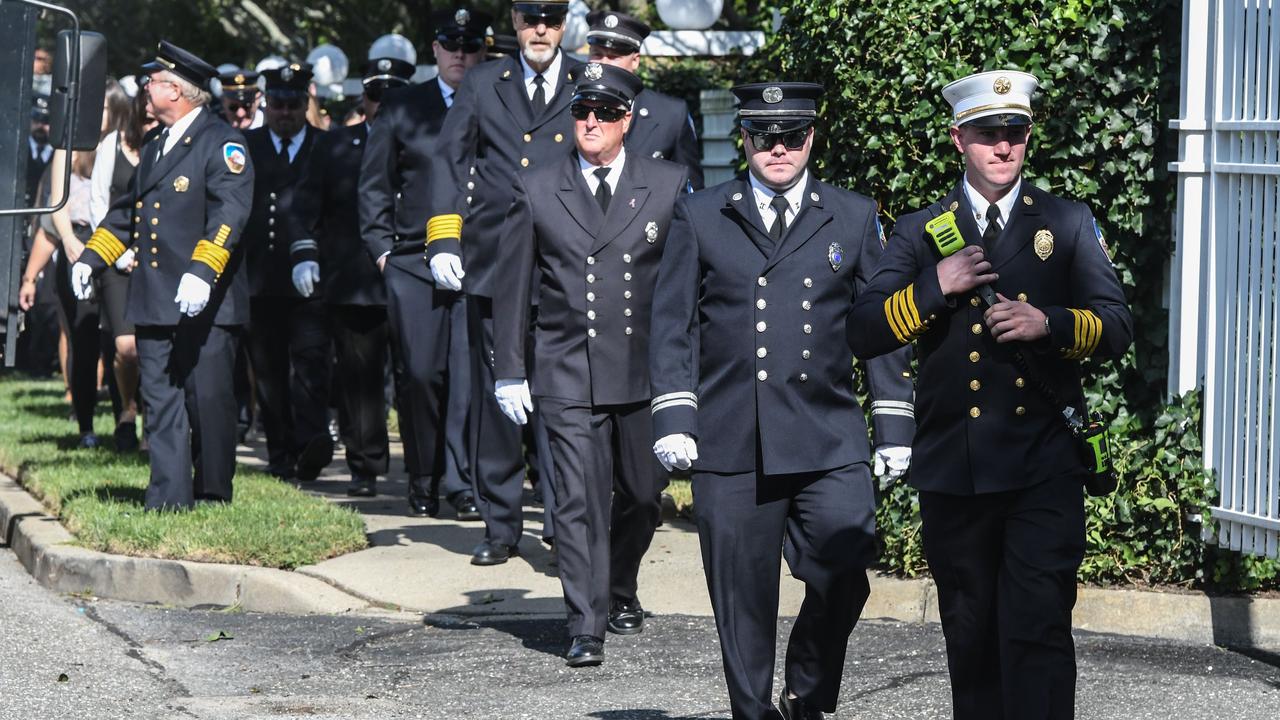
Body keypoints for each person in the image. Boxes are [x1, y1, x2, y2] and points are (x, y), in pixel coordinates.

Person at [847, 70, 1133, 720]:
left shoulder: (1064, 221)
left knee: (1038, 637)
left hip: (1044, 470)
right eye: (987, 134)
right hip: (957, 475)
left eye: (1016, 132)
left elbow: (1115, 326)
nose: (1003, 147)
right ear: (958, 139)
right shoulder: (922, 231)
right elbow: (862, 330)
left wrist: (1049, 324)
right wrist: (933, 287)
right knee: (972, 647)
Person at [648, 82, 915, 720]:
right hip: (732, 434)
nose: (777, 148)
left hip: (826, 435)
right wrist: (676, 415)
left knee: (845, 566)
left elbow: (877, 327)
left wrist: (895, 423)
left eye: (791, 135)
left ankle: (808, 687)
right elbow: (673, 323)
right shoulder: (703, 213)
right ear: (743, 139)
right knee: (741, 599)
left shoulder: (850, 215)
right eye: (763, 135)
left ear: (811, 138)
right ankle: (752, 712)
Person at [492, 62, 687, 667]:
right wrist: (509, 367)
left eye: (605, 113)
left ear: (628, 120)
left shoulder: (668, 183)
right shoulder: (538, 185)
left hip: (642, 371)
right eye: (582, 112)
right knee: (576, 498)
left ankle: (620, 585)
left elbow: (683, 290)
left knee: (641, 495)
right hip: (566, 367)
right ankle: (586, 620)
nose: (592, 122)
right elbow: (512, 285)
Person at [425, 0, 584, 565]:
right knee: (498, 402)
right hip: (495, 260)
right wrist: (444, 236)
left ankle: (567, 524)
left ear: (564, 24)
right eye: (530, 18)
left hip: (566, 261)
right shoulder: (485, 81)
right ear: (514, 22)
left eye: (551, 18)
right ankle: (499, 523)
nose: (540, 29)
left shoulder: (587, 79)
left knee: (565, 401)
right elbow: (450, 156)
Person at [70, 40, 254, 510]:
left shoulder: (222, 142)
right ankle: (168, 497)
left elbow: (229, 214)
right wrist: (91, 259)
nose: (146, 87)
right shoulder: (154, 146)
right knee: (162, 400)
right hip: (154, 297)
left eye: (153, 80)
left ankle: (212, 493)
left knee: (208, 401)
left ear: (177, 90)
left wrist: (202, 269)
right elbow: (125, 215)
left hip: (205, 299)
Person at [359, 8, 490, 517]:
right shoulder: (402, 106)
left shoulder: (495, 102)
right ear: (433, 49)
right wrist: (383, 252)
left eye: (471, 45)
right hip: (413, 258)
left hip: (476, 256)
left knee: (464, 374)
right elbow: (374, 184)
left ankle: (459, 483)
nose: (461, 54)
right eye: (451, 44)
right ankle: (422, 472)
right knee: (417, 372)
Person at [290, 55, 415, 497]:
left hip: (417, 275)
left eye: (394, 96)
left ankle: (426, 470)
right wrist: (305, 253)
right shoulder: (336, 144)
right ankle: (364, 465)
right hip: (356, 279)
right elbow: (305, 206)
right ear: (364, 97)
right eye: (376, 96)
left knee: (419, 377)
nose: (383, 105)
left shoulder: (428, 139)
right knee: (360, 382)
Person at [242, 62, 332, 483]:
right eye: (277, 103)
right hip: (261, 281)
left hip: (311, 281)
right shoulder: (245, 146)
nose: (284, 112)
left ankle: (310, 442)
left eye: (293, 104)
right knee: (270, 372)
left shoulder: (326, 147)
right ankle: (279, 454)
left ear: (305, 105)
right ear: (266, 104)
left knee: (312, 364)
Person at [90, 80, 159, 452]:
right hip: (118, 261)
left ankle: (153, 419)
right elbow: (100, 203)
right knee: (127, 347)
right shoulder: (111, 145)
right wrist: (117, 252)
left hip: (157, 260)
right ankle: (128, 410)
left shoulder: (169, 144)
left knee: (155, 346)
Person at [584, 10, 703, 189]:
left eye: (615, 57)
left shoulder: (670, 115)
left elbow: (691, 194)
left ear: (635, 61)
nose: (604, 64)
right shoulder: (571, 108)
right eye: (597, 54)